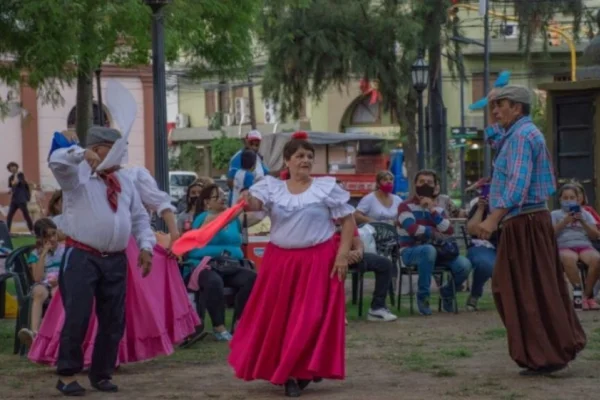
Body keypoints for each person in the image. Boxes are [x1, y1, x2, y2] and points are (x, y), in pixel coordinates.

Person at [228, 134, 355, 397]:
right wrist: (245, 198)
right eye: (299, 156)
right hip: (281, 262)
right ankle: (290, 374)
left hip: (318, 260)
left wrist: (342, 256)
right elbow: (254, 206)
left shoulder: (327, 188)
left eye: (309, 156)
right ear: (287, 161)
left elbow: (348, 223)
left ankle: (302, 369)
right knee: (282, 318)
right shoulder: (272, 187)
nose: (305, 160)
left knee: (311, 317)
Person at [476, 85, 586, 376]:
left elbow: (517, 185)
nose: (496, 111)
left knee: (520, 289)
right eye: (494, 107)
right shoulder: (516, 134)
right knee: (531, 288)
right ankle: (545, 352)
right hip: (525, 222)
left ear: (518, 108)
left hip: (525, 221)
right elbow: (498, 142)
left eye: (502, 105)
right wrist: (492, 120)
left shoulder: (523, 137)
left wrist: (492, 219)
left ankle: (545, 353)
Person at [48, 126, 155, 395]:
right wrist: (80, 153)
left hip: (115, 259)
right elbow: (56, 159)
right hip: (83, 255)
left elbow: (140, 217)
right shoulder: (76, 175)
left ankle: (101, 373)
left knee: (113, 319)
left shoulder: (124, 181)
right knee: (78, 315)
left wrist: (146, 246)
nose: (122, 155)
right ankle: (68, 374)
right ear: (98, 149)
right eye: (115, 148)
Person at [183, 184, 257, 341]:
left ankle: (240, 323)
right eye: (218, 196)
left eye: (224, 194)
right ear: (207, 203)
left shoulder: (234, 218)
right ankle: (219, 327)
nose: (223, 198)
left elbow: (257, 215)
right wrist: (237, 208)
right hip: (206, 264)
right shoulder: (204, 218)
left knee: (252, 278)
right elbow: (216, 225)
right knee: (213, 282)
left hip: (230, 264)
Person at [397, 169, 471, 316]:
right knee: (428, 250)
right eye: (422, 182)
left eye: (429, 182)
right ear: (415, 184)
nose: (425, 185)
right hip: (410, 251)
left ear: (435, 186)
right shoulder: (405, 206)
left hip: (439, 252)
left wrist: (431, 210)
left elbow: (448, 230)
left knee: (465, 265)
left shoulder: (437, 208)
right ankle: (423, 298)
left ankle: (447, 292)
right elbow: (412, 229)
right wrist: (433, 231)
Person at [551, 184, 600, 310]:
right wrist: (565, 222)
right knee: (568, 259)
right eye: (565, 198)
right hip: (564, 245)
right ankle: (578, 293)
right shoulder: (555, 214)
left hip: (584, 244)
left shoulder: (586, 214)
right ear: (560, 200)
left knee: (597, 259)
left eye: (571, 197)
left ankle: (586, 297)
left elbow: (595, 236)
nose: (568, 200)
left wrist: (582, 221)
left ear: (577, 200)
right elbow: (550, 234)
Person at [17, 218, 64, 345]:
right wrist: (43, 254)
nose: (52, 239)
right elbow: (37, 278)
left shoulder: (64, 250)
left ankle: (55, 333)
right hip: (43, 284)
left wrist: (60, 281)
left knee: (57, 294)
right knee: (38, 292)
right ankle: (34, 334)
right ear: (40, 238)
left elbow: (70, 271)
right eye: (47, 237)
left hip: (61, 283)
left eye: (54, 234)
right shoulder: (35, 254)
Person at [465, 195, 497, 311]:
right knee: (485, 264)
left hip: (507, 245)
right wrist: (481, 208)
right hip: (482, 245)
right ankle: (475, 294)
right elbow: (472, 230)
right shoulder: (480, 205)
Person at [227, 130, 269, 205]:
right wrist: (241, 195)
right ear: (246, 142)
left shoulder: (258, 157)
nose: (254, 147)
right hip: (242, 204)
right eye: (251, 143)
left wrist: (281, 170)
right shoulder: (237, 157)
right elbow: (230, 182)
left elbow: (267, 174)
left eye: (257, 145)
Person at [6, 161, 33, 233]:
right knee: (9, 216)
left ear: (16, 167)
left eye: (13, 166)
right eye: (10, 167)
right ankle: (7, 232)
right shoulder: (10, 177)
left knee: (26, 215)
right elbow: (10, 187)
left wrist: (16, 181)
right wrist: (10, 191)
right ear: (9, 169)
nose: (12, 168)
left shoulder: (20, 174)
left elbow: (19, 182)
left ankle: (32, 230)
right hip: (14, 200)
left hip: (21, 199)